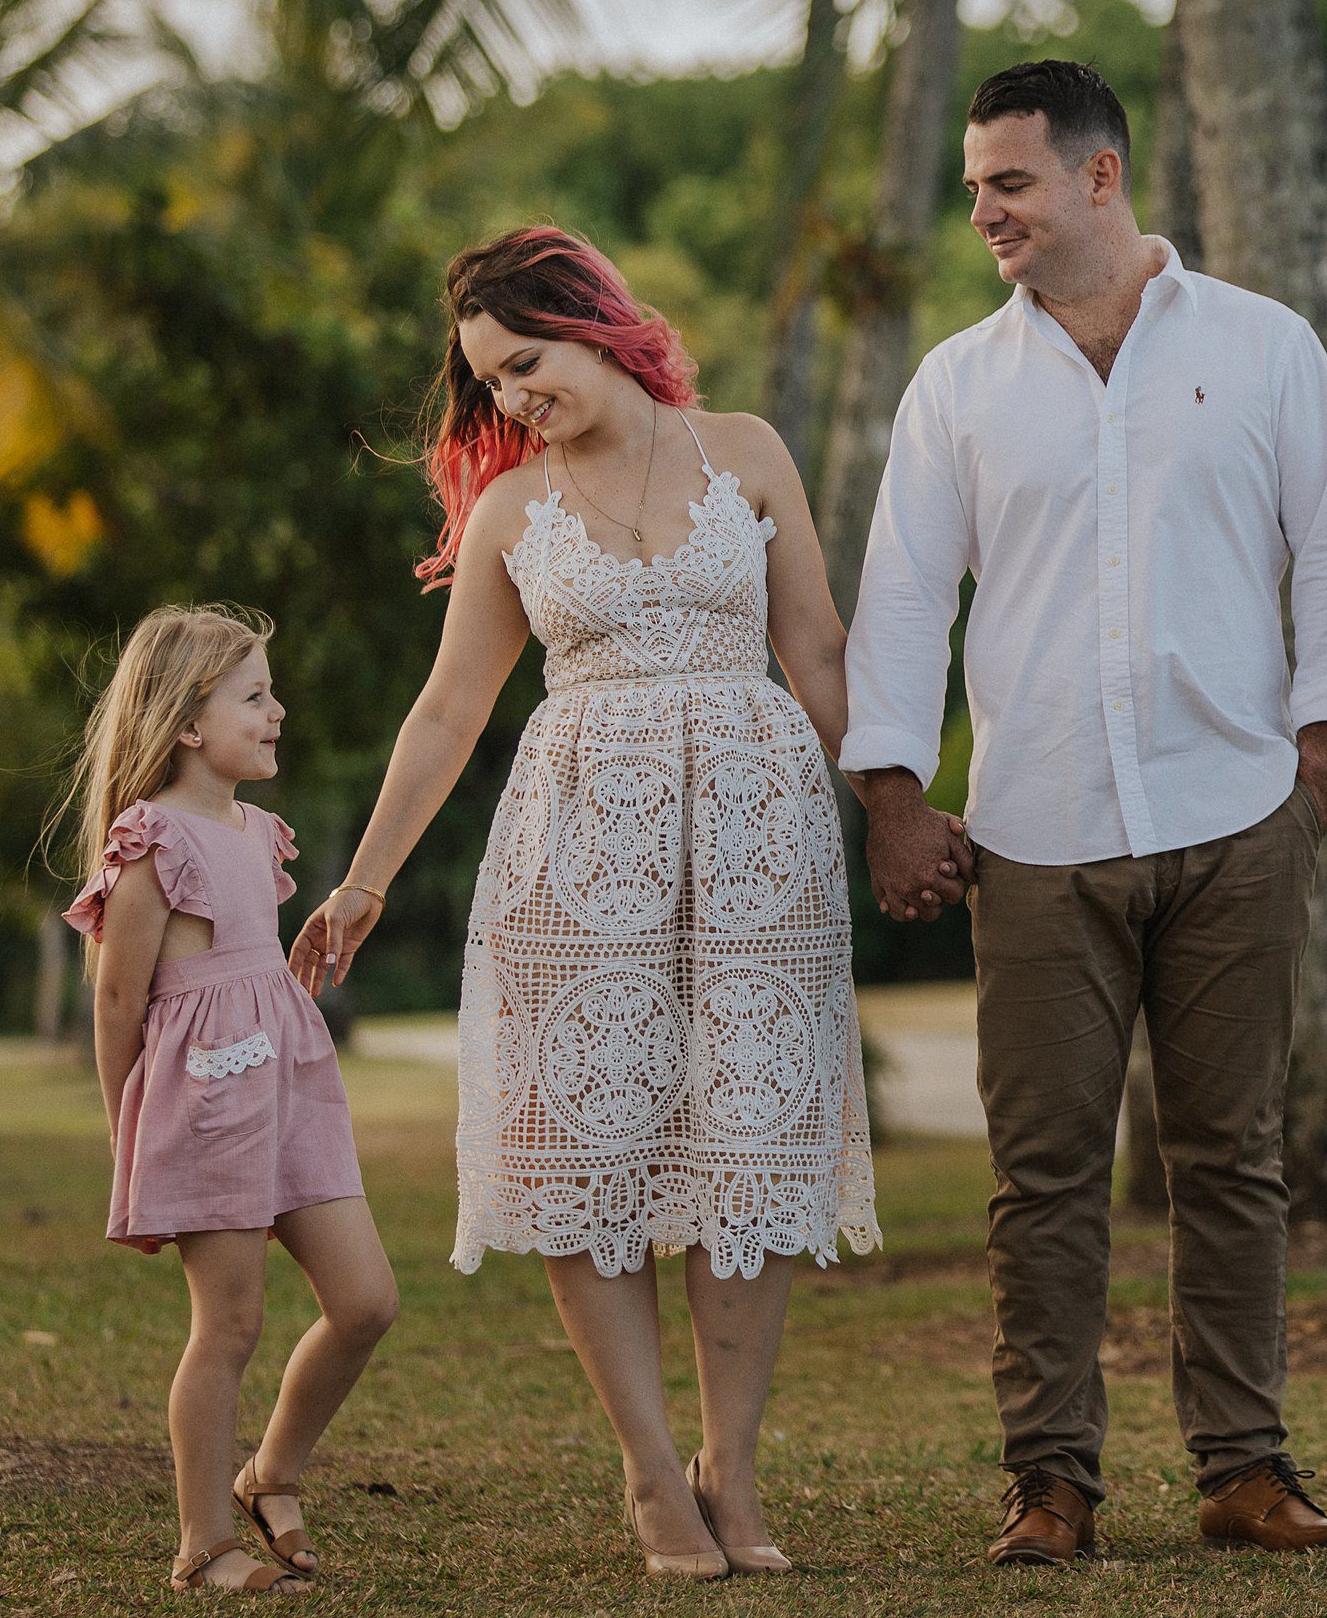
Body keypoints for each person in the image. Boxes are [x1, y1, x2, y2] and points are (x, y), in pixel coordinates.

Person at [291, 226, 916, 1581]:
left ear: (592, 322)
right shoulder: (514, 510)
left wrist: (894, 806)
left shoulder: (744, 451)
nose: (511, 397)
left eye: (525, 363)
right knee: (592, 1149)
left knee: (746, 1146)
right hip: (580, 845)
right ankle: (649, 1473)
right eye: (489, 382)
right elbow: (451, 707)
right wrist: (361, 881)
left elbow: (813, 643)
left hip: (757, 841)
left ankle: (731, 1468)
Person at [841, 59, 1327, 1563]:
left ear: (1097, 177)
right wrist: (894, 792)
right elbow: (900, 596)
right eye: (972, 191)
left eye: (1007, 184)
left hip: (1235, 813)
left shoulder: (1263, 348)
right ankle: (1050, 1482)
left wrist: (1317, 763)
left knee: (1233, 1154)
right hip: (1034, 833)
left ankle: (1245, 1467)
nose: (983, 214)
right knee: (1044, 1173)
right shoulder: (958, 383)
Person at [60, 604, 399, 1596]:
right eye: (255, 696)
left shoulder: (257, 831)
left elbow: (254, 957)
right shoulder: (150, 837)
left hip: (289, 1079)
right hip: (204, 1100)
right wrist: (131, 1129)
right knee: (232, 1325)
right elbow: (120, 998)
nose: (277, 711)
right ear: (188, 723)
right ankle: (204, 1542)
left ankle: (272, 1473)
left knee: (367, 1299)